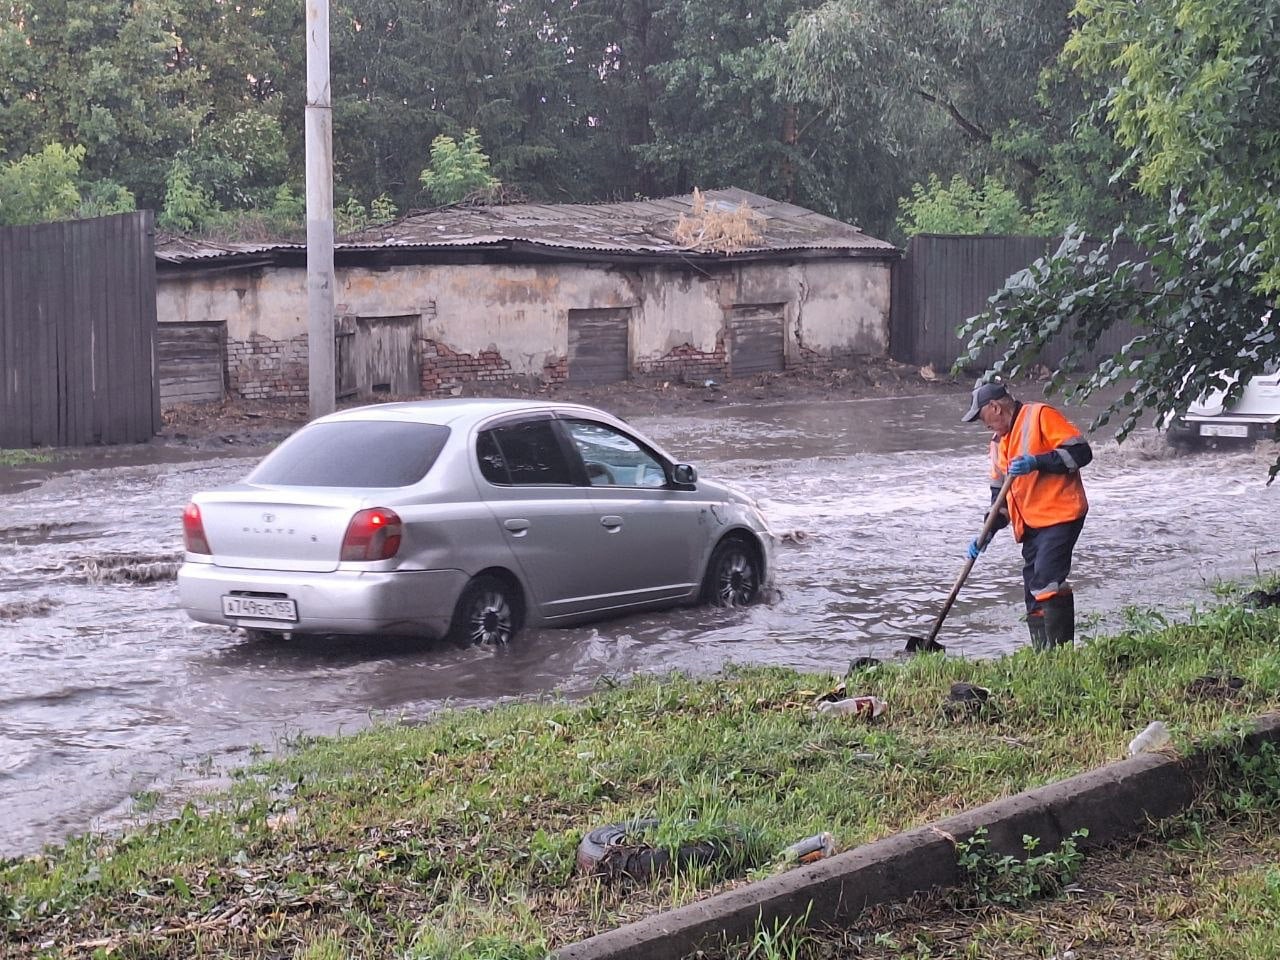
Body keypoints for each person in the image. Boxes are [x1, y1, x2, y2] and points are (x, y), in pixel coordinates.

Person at [961, 381, 1092, 649]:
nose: (983, 425)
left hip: (1060, 514)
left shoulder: (1040, 415)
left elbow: (1081, 452)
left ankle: (1060, 655)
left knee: (1046, 579)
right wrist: (986, 532)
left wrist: (1037, 461)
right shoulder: (997, 444)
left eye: (982, 417)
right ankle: (1043, 654)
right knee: (1033, 588)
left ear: (995, 407)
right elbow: (999, 501)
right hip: (1031, 525)